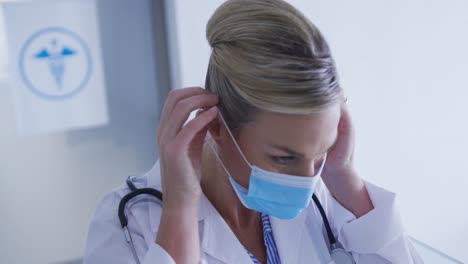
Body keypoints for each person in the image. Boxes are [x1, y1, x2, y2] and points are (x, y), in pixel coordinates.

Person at [84, 0, 423, 263]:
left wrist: (344, 177)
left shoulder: (327, 197)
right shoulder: (129, 222)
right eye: (284, 157)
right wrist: (180, 211)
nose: (306, 180)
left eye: (319, 154)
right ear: (217, 126)